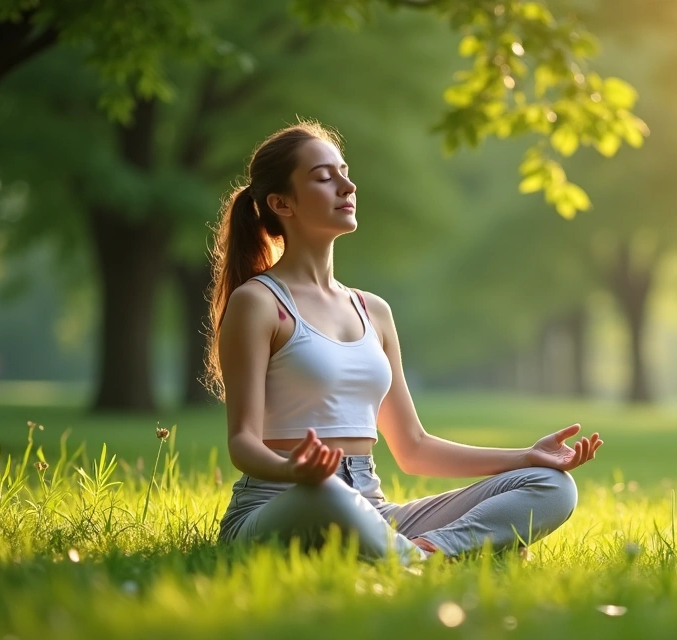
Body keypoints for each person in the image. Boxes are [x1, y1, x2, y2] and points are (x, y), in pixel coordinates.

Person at [206, 121, 604, 563]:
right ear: (282, 203)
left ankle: (434, 552)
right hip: (283, 504)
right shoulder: (258, 303)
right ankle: (448, 559)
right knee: (329, 494)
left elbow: (413, 447)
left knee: (552, 486)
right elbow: (242, 441)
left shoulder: (372, 310)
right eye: (324, 177)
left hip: (372, 510)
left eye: (344, 171)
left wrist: (526, 456)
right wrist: (293, 470)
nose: (347, 185)